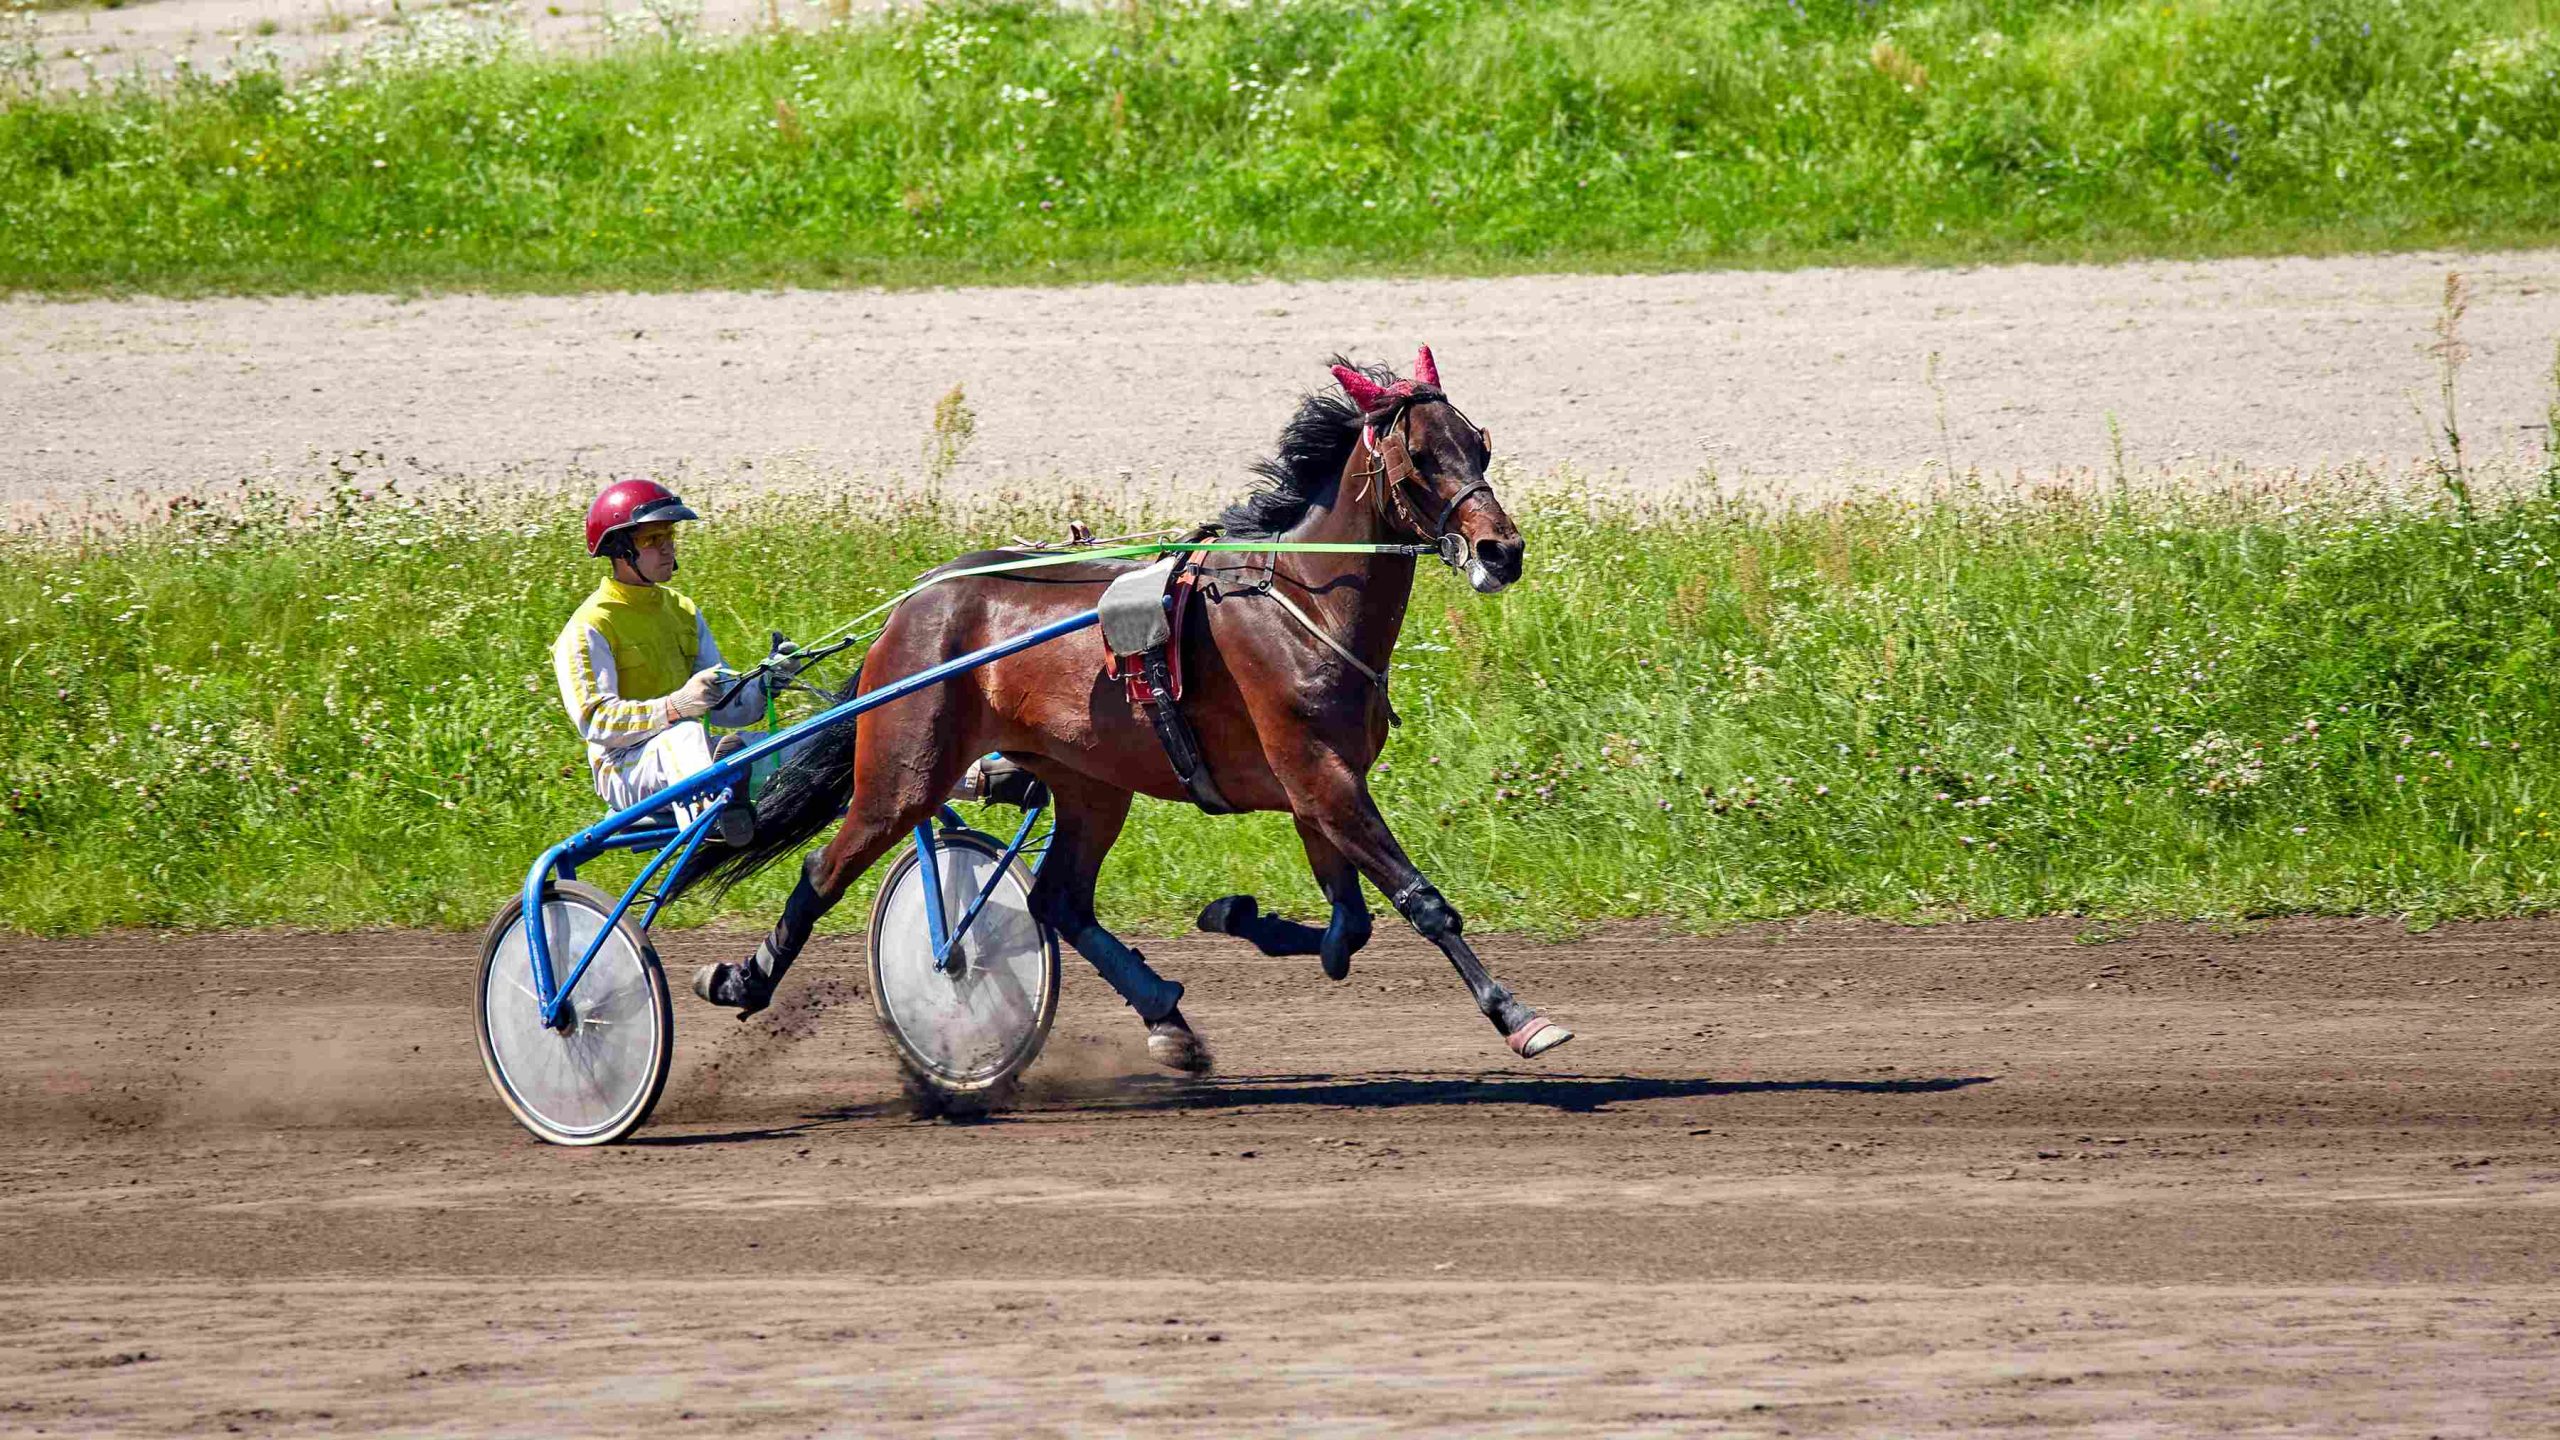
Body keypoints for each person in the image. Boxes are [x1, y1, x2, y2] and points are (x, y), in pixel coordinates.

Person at [552, 479, 802, 852]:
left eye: (669, 535)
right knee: (683, 736)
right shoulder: (589, 626)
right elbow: (596, 722)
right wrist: (674, 707)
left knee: (809, 741)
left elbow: (728, 706)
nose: (668, 547)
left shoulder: (682, 611)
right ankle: (716, 818)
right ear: (621, 548)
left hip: (694, 758)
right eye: (653, 539)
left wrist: (768, 681)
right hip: (624, 768)